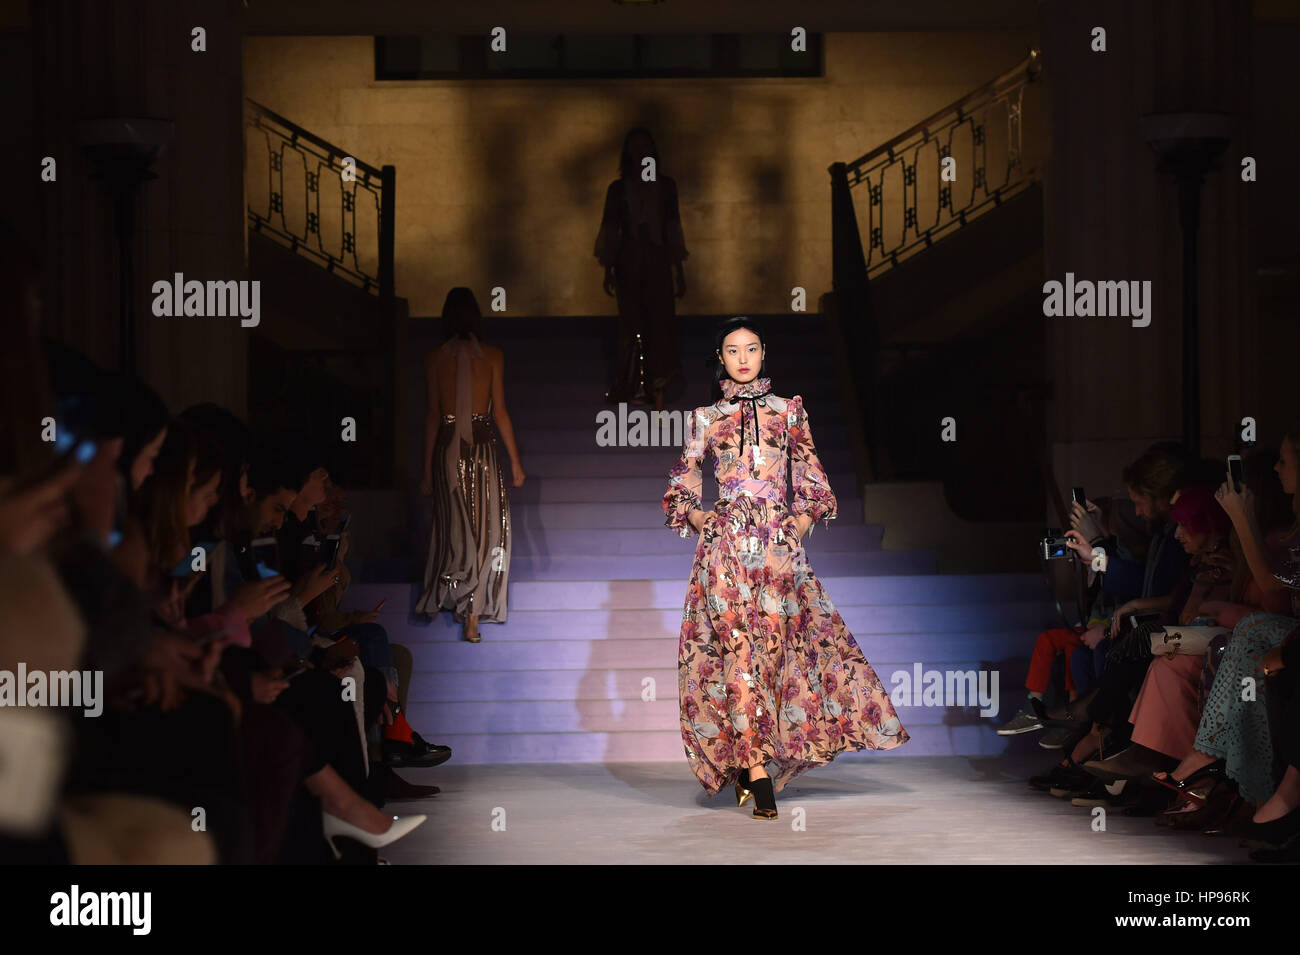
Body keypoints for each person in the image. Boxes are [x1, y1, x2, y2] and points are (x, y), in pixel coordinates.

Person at [662, 316, 909, 820]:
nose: (743, 358)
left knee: (774, 657)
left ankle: (753, 762)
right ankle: (754, 770)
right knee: (736, 654)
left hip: (777, 551)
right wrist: (700, 515)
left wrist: (797, 525)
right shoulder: (705, 418)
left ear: (764, 352)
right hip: (725, 549)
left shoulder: (788, 411)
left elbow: (814, 478)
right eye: (733, 350)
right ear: (721, 359)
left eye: (751, 348)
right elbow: (680, 486)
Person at [417, 287, 522, 642]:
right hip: (482, 453)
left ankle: (458, 596)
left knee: (456, 532)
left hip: (447, 452)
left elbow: (433, 416)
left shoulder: (434, 358)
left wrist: (424, 471)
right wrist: (517, 464)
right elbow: (501, 412)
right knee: (487, 532)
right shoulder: (492, 355)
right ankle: (473, 615)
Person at [595, 127, 688, 411]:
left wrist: (678, 272)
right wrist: (609, 269)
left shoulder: (666, 187)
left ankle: (657, 383)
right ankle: (634, 383)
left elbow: (672, 229)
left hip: (657, 262)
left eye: (645, 146)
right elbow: (611, 229)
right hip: (630, 262)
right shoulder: (619, 189)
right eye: (635, 147)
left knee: (660, 321)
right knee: (632, 323)